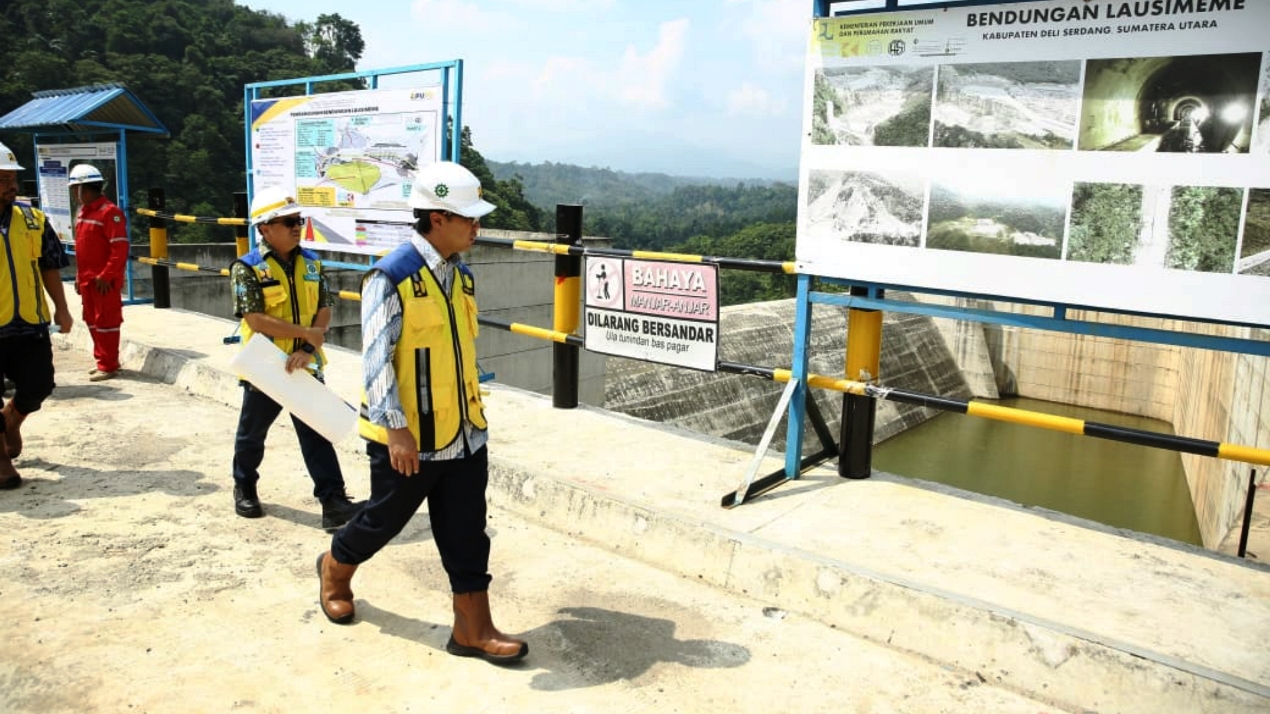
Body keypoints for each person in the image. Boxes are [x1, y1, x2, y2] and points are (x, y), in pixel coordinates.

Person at [317, 161, 528, 665]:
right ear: (436, 218)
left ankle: (472, 628)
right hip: (410, 435)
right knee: (383, 519)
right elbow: (376, 361)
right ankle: (335, 566)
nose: (477, 228)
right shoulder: (391, 277)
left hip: (464, 431)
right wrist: (396, 430)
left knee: (467, 530)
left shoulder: (462, 277)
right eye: (468, 219)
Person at [229, 186, 363, 530]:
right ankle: (244, 486)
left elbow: (324, 308)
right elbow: (255, 320)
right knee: (252, 434)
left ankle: (333, 502)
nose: (295, 226)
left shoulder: (312, 264)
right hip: (266, 365)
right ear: (264, 228)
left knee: (316, 432)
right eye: (287, 221)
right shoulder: (248, 268)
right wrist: (306, 336)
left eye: (298, 220)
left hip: (304, 362)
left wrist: (306, 350)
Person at [0, 141, 74, 488]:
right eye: (2, 179)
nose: (11, 186)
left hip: (29, 322)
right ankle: (2, 459)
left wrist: (62, 307)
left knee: (39, 384)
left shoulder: (32, 219)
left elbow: (49, 266)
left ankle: (11, 419)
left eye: (13, 178)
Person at [69, 164, 129, 381]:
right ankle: (102, 360)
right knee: (92, 320)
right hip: (87, 279)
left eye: (76, 188)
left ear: (85, 188)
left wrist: (107, 275)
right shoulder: (84, 212)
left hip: (103, 281)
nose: (75, 194)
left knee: (107, 322)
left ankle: (109, 364)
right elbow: (82, 248)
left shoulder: (109, 213)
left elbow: (119, 247)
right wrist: (78, 275)